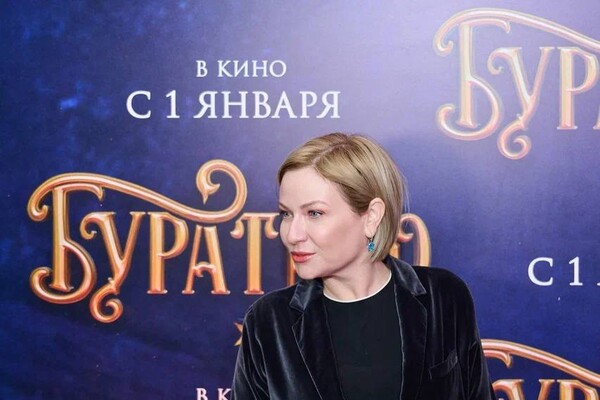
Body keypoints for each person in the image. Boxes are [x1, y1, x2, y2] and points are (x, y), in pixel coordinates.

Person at [231, 133, 496, 400]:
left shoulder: (443, 296)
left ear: (371, 217)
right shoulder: (269, 322)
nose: (292, 234)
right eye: (286, 214)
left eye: (314, 213)